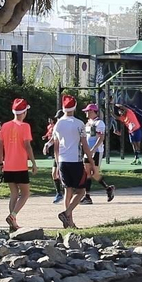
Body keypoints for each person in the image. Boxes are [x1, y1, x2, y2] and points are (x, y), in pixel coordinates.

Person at [0, 98, 35, 231]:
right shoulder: (25, 126)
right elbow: (27, 146)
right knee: (25, 193)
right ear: (24, 112)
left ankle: (12, 224)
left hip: (8, 165)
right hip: (20, 165)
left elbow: (0, 146)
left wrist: (1, 162)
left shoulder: (5, 126)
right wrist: (34, 162)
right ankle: (13, 216)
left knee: (14, 193)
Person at [51, 96, 88, 228]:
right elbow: (84, 144)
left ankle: (69, 222)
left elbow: (55, 146)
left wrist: (57, 163)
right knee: (82, 191)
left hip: (62, 161)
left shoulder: (58, 124)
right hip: (76, 161)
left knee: (68, 191)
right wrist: (90, 160)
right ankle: (67, 214)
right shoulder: (79, 123)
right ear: (75, 107)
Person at [82, 103, 115, 203]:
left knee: (95, 173)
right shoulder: (87, 123)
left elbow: (101, 138)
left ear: (93, 111)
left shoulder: (99, 123)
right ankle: (87, 196)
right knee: (87, 173)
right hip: (87, 151)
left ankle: (108, 188)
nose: (86, 113)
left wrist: (93, 149)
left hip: (96, 151)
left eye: (88, 111)